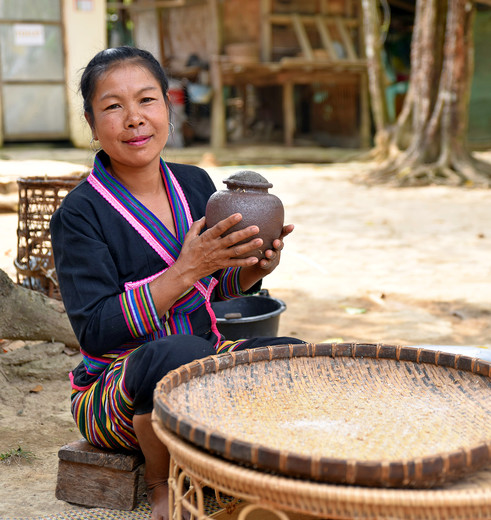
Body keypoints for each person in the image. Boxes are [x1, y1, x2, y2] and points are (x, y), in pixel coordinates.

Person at [50, 46, 303, 520]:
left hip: (204, 366)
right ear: (91, 122)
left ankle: (245, 467)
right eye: (113, 106)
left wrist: (252, 269)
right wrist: (186, 268)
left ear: (167, 106)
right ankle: (163, 484)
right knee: (178, 351)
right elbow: (97, 330)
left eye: (146, 100)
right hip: (116, 391)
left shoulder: (194, 183)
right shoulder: (79, 215)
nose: (133, 119)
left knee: (294, 354)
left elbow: (217, 284)